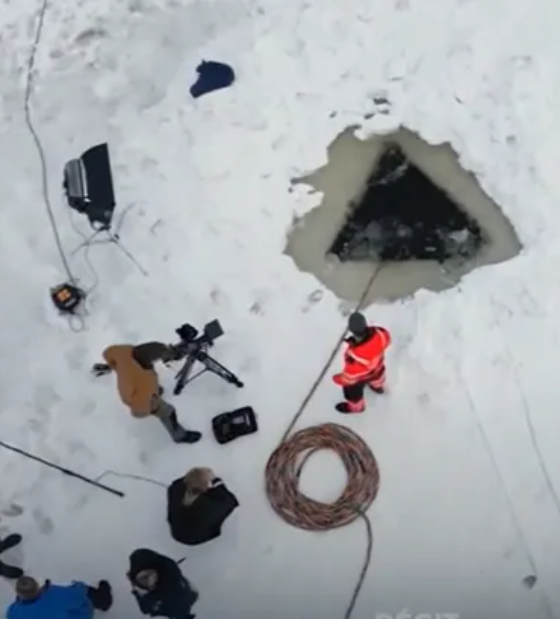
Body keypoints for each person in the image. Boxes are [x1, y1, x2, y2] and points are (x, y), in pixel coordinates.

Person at [93, 341, 201, 443]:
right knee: (169, 412)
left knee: (153, 387)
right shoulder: (139, 380)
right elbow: (130, 397)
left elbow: (108, 354)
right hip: (141, 401)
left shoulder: (123, 351)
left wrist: (110, 367)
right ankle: (180, 436)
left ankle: (155, 393)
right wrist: (150, 401)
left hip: (139, 385)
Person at [332, 311, 391, 413]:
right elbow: (385, 337)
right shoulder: (381, 334)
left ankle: (357, 408)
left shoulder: (354, 358)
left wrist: (338, 379)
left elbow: (349, 378)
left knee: (352, 392)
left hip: (361, 376)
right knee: (378, 377)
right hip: (378, 367)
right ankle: (377, 387)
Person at [167, 467, 239, 545]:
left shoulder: (174, 489)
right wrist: (217, 481)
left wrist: (198, 476)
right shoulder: (211, 505)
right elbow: (232, 501)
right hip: (197, 538)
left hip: (176, 533)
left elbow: (179, 482)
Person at [128, 548, 198, 619]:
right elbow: (145, 609)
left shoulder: (171, 573)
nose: (150, 582)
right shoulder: (140, 588)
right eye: (143, 579)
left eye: (149, 575)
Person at [6, 574, 112, 619]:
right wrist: (79, 585)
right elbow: (79, 596)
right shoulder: (54, 594)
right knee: (84, 593)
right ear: (37, 587)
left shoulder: (13, 612)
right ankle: (104, 602)